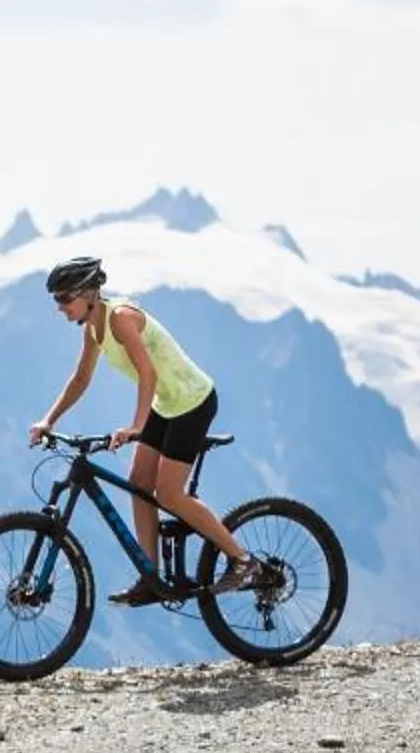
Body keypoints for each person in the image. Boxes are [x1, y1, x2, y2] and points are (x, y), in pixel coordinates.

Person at [28, 255, 265, 604]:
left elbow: (148, 373)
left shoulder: (121, 318)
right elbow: (80, 379)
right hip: (166, 404)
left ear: (89, 293)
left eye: (64, 298)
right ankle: (151, 577)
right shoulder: (93, 329)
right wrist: (49, 420)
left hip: (193, 402)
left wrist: (136, 426)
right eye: (56, 300)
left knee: (168, 494)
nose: (59, 307)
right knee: (139, 483)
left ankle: (244, 561)